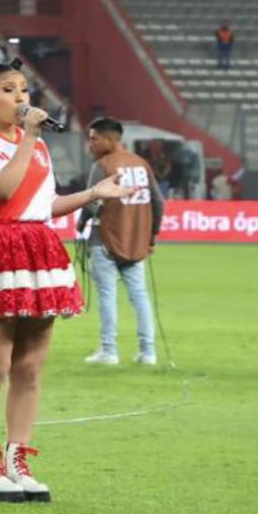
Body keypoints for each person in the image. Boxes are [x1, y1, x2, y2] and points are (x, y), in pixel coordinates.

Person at [0, 57, 137, 503]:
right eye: (9, 90)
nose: (21, 98)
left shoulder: (40, 148)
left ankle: (16, 459)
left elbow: (42, 206)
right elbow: (4, 192)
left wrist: (92, 194)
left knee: (29, 368)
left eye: (24, 90)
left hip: (37, 250)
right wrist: (28, 136)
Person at [81, 119, 162, 367]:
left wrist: (80, 223)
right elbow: (158, 203)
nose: (91, 143)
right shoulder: (141, 164)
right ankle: (148, 352)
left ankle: (109, 350)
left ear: (111, 140)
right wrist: (151, 236)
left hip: (106, 237)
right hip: (136, 242)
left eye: (95, 138)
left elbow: (92, 202)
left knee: (107, 294)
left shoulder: (102, 165)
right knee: (139, 295)